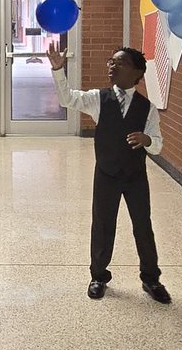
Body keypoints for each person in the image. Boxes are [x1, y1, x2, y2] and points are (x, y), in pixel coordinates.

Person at [48, 44, 172, 304]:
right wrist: (58, 69)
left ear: (137, 72)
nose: (112, 67)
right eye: (110, 62)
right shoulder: (98, 98)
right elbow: (67, 99)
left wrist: (147, 139)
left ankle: (151, 278)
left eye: (120, 63)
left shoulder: (146, 108)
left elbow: (158, 145)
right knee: (103, 224)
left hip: (135, 175)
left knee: (143, 226)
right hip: (106, 173)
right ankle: (98, 276)